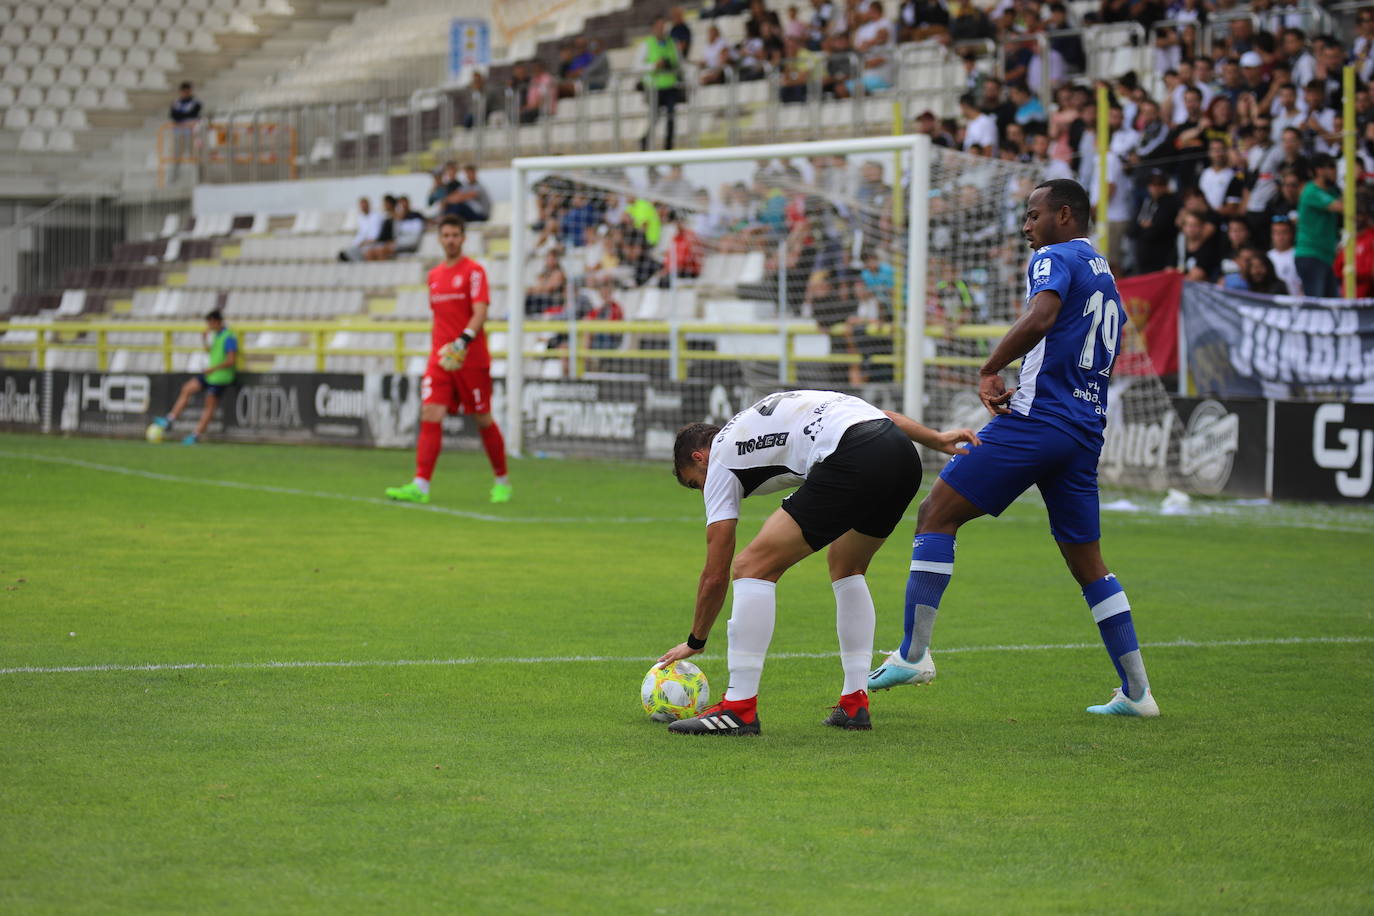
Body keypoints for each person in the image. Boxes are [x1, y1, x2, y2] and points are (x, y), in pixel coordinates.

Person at [867, 179, 1161, 718]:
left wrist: (989, 367)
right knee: (1090, 565)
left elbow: (1042, 316)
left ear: (1064, 215)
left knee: (935, 514)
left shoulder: (1054, 257)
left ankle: (913, 653)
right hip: (1084, 431)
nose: (1026, 226)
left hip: (1038, 420)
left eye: (1033, 214)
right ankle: (1139, 693)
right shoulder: (1104, 272)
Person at [656, 391, 979, 736]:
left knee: (751, 566)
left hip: (855, 455)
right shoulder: (761, 415)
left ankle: (738, 708)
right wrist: (934, 439)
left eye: (696, 483)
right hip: (900, 454)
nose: (703, 491)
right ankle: (854, 703)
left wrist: (696, 640)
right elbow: (881, 415)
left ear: (700, 457)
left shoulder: (721, 456)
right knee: (847, 566)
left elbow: (715, 573)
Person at [385, 216, 512, 505]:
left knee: (482, 418)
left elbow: (480, 312)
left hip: (471, 358)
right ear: (439, 239)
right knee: (430, 413)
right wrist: (446, 349)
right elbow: (441, 318)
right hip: (441, 359)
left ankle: (502, 481)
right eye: (446, 235)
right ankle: (420, 485)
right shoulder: (434, 276)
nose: (451, 240)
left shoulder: (474, 272)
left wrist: (463, 341)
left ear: (463, 238)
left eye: (455, 235)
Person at [151, 309, 237, 445]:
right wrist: (204, 339)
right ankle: (169, 419)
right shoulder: (216, 335)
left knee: (209, 406)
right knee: (187, 388)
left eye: (210, 323)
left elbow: (231, 360)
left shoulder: (229, 337)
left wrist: (213, 368)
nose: (209, 326)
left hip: (220, 377)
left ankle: (195, 436)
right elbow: (211, 351)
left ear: (216, 321)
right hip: (210, 374)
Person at [1294, 153, 1343, 298]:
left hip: (1327, 256)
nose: (1335, 171)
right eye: (1331, 167)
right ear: (1319, 170)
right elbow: (1341, 207)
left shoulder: (1332, 191)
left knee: (1331, 303)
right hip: (1311, 255)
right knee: (1316, 304)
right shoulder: (1311, 191)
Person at [640, 16, 684, 150]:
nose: (661, 29)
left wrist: (671, 64)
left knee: (671, 116)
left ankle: (668, 147)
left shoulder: (672, 43)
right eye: (658, 27)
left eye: (663, 27)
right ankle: (645, 140)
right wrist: (654, 65)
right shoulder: (646, 44)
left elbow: (679, 62)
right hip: (654, 87)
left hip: (670, 85)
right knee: (654, 117)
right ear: (653, 28)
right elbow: (637, 67)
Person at [168, 81, 202, 180]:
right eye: (184, 91)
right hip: (178, 132)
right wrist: (185, 119)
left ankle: (198, 177)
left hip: (191, 133)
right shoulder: (176, 102)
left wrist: (182, 119)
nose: (186, 93)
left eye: (188, 91)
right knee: (176, 156)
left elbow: (194, 114)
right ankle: (174, 177)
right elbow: (173, 116)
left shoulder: (196, 102)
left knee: (194, 154)